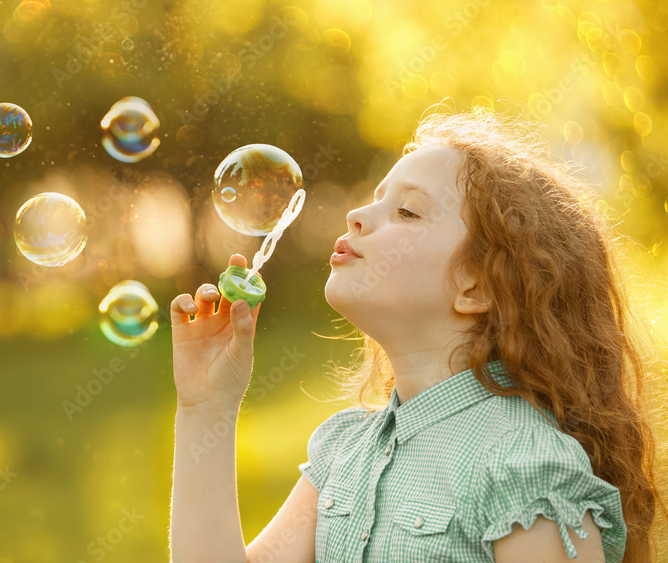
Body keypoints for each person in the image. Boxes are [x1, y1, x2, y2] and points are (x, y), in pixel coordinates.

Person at [167, 108, 667, 563]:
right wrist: (206, 406)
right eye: (377, 198)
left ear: (476, 286)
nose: (356, 216)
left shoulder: (522, 466)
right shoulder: (343, 453)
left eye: (408, 211)